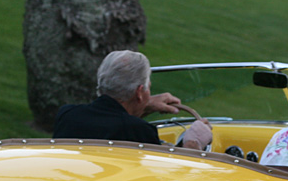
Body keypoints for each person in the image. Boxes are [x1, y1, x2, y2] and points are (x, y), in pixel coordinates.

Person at [52, 50, 212, 149]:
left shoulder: (68, 115)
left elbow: (108, 122)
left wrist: (145, 106)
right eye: (148, 87)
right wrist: (193, 144)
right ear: (140, 92)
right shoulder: (138, 131)